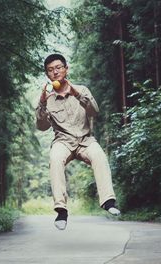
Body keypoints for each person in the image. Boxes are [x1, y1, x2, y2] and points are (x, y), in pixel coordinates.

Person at [35, 54, 120, 230]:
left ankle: (108, 202)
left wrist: (76, 93)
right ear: (47, 75)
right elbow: (42, 127)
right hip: (63, 141)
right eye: (50, 70)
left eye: (58, 67)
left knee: (99, 156)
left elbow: (94, 111)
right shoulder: (47, 98)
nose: (55, 72)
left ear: (66, 69)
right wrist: (42, 104)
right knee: (55, 159)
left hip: (85, 140)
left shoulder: (82, 89)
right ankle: (61, 210)